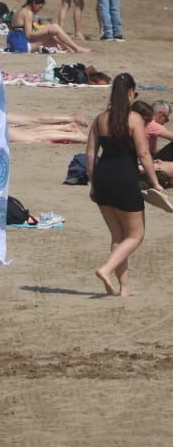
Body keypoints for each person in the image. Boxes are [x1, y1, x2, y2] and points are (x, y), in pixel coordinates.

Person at [88, 74, 166, 296]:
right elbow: (143, 153)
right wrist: (155, 183)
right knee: (135, 236)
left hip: (103, 178)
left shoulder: (100, 118)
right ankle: (106, 268)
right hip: (124, 179)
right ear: (131, 92)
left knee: (118, 236)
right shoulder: (134, 119)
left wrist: (93, 185)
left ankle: (124, 287)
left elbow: (91, 153)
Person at [6, 0, 90, 54]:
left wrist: (45, 30)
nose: (39, 10)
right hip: (21, 47)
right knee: (54, 28)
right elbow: (29, 34)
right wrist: (46, 30)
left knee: (51, 31)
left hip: (14, 45)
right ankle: (77, 48)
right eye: (39, 7)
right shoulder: (28, 12)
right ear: (34, 3)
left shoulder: (20, 11)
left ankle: (66, 47)